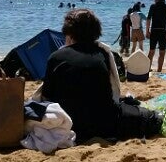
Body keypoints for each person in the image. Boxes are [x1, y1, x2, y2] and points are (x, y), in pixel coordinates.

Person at [37, 9, 125, 143]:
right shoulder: (103, 55)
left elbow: (47, 96)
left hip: (70, 123)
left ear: (69, 33)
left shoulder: (56, 57)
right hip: (102, 124)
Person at [146, 0, 166, 72]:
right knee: (162, 53)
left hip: (154, 31)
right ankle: (159, 70)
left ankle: (148, 69)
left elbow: (148, 19)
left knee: (151, 52)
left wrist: (147, 30)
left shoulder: (153, 6)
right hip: (162, 31)